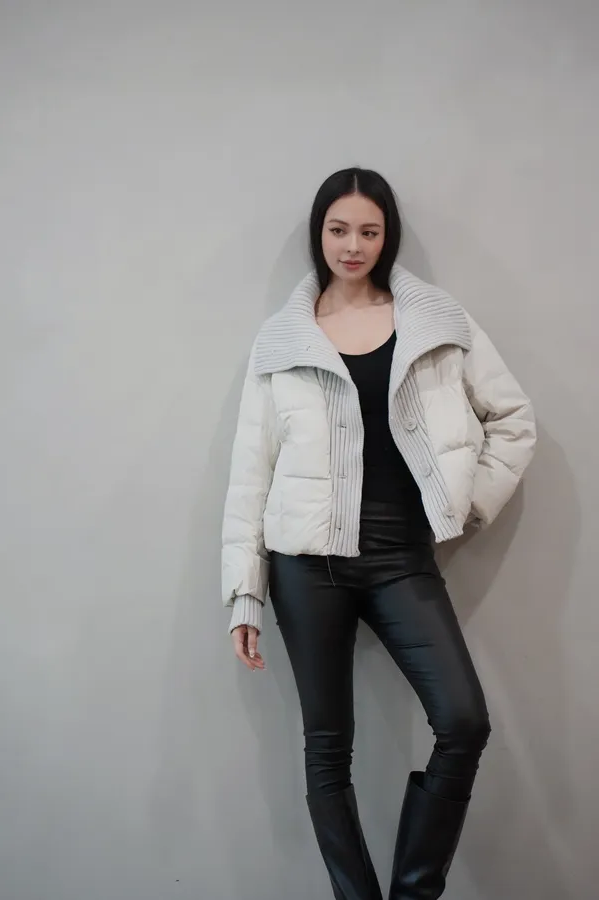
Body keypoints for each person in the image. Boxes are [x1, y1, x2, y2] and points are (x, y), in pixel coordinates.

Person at [220, 167, 536, 899]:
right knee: (327, 749)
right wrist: (244, 593)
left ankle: (413, 892)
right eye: (339, 230)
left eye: (369, 230)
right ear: (320, 234)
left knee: (463, 721)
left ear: (386, 236)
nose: (353, 245)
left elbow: (514, 420)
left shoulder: (437, 322)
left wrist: (465, 506)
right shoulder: (283, 339)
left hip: (401, 558)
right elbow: (249, 473)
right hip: (305, 566)